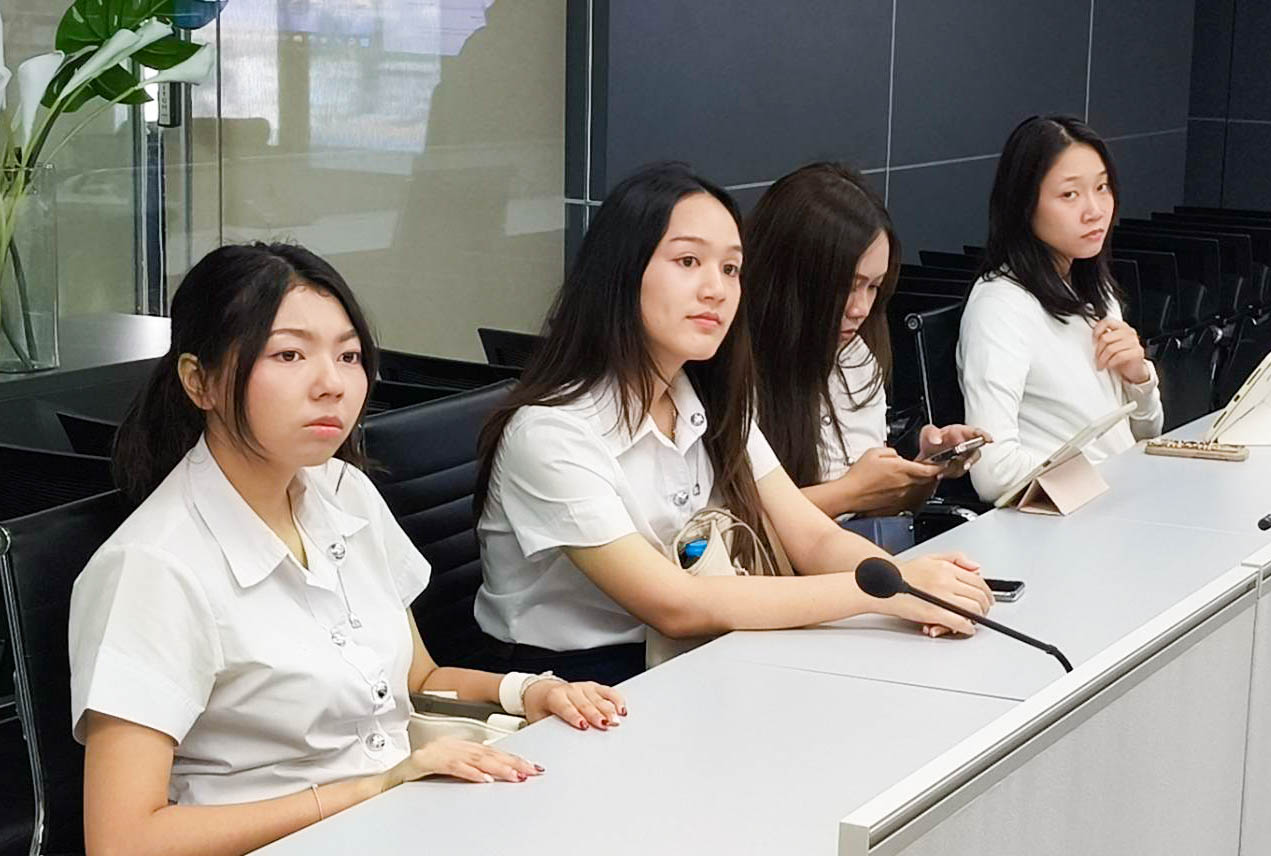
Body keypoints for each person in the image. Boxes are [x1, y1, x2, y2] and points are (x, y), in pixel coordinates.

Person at [69, 243, 624, 856]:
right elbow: (123, 840)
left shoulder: (343, 489)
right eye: (288, 354)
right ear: (199, 381)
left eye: (348, 355)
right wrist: (370, 789)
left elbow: (418, 679)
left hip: (400, 820)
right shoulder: (152, 566)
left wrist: (529, 692)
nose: (331, 384)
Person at [473, 163, 993, 686]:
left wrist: (913, 584)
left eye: (730, 269)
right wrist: (885, 592)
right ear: (622, 271)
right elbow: (676, 605)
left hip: (698, 658)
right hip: (579, 686)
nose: (716, 290)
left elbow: (812, 539)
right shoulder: (550, 434)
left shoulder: (707, 397)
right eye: (688, 261)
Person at [742, 162, 989, 547]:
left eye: (873, 287)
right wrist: (850, 492)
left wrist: (922, 472)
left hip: (855, 558)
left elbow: (876, 513)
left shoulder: (855, 356)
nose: (861, 308)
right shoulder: (733, 375)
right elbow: (732, 528)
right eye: (847, 285)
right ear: (791, 278)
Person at [957, 116, 1163, 503]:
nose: (1095, 210)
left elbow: (1145, 434)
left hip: (1118, 503)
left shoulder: (1094, 287)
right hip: (1070, 518)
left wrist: (1139, 378)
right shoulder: (1001, 306)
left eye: (1102, 187)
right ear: (1024, 204)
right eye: (1069, 195)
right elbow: (994, 471)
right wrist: (1104, 476)